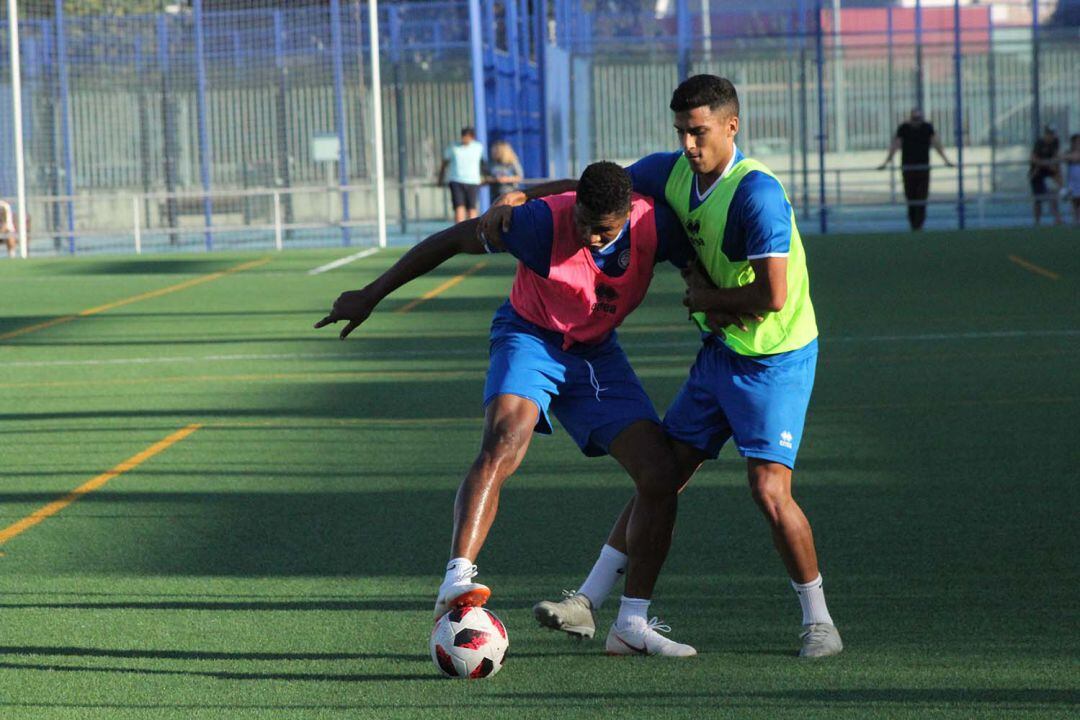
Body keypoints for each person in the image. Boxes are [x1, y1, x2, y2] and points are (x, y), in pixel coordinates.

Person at [484, 75, 843, 659]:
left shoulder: (757, 195)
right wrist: (523, 195)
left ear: (732, 126)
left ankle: (819, 622)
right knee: (662, 475)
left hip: (775, 357)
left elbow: (773, 296)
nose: (688, 145)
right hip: (720, 355)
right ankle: (593, 603)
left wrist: (706, 302)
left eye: (699, 132)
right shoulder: (672, 170)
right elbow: (595, 191)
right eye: (681, 132)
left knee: (769, 490)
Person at [315, 161, 699, 657]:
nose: (587, 234)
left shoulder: (654, 224)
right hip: (530, 338)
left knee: (660, 475)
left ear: (626, 215)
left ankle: (630, 624)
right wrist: (371, 294)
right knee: (504, 440)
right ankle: (457, 578)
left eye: (600, 229)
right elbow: (451, 240)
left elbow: (697, 257)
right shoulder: (540, 224)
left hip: (596, 353)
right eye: (582, 220)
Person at [878, 108, 953, 231]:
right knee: (910, 196)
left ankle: (919, 224)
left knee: (921, 197)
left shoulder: (927, 128)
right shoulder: (904, 129)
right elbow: (895, 145)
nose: (916, 122)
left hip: (922, 168)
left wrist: (946, 160)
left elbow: (936, 144)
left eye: (918, 119)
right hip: (908, 169)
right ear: (910, 119)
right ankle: (914, 224)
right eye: (914, 119)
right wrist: (886, 162)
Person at [438, 127, 485, 223]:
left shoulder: (478, 147)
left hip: (472, 181)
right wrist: (440, 178)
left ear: (472, 137)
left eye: (467, 136)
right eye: (463, 136)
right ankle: (459, 232)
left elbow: (482, 164)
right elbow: (444, 164)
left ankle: (472, 233)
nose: (464, 138)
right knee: (459, 207)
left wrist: (484, 176)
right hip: (456, 181)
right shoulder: (453, 147)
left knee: (472, 208)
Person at [1029, 125, 1062, 226]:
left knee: (1053, 194)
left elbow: (1056, 156)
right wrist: (1046, 163)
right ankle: (1037, 222)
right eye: (1049, 133)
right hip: (1037, 172)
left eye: (1053, 134)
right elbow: (1033, 158)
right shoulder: (1039, 143)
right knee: (1038, 199)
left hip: (1049, 171)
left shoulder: (1055, 142)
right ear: (1046, 133)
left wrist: (1056, 171)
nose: (1051, 136)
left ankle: (1057, 219)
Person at [1065, 134, 1080, 225]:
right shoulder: (1069, 152)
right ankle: (1075, 220)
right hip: (1073, 182)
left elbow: (1077, 157)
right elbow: (1062, 156)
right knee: (1074, 201)